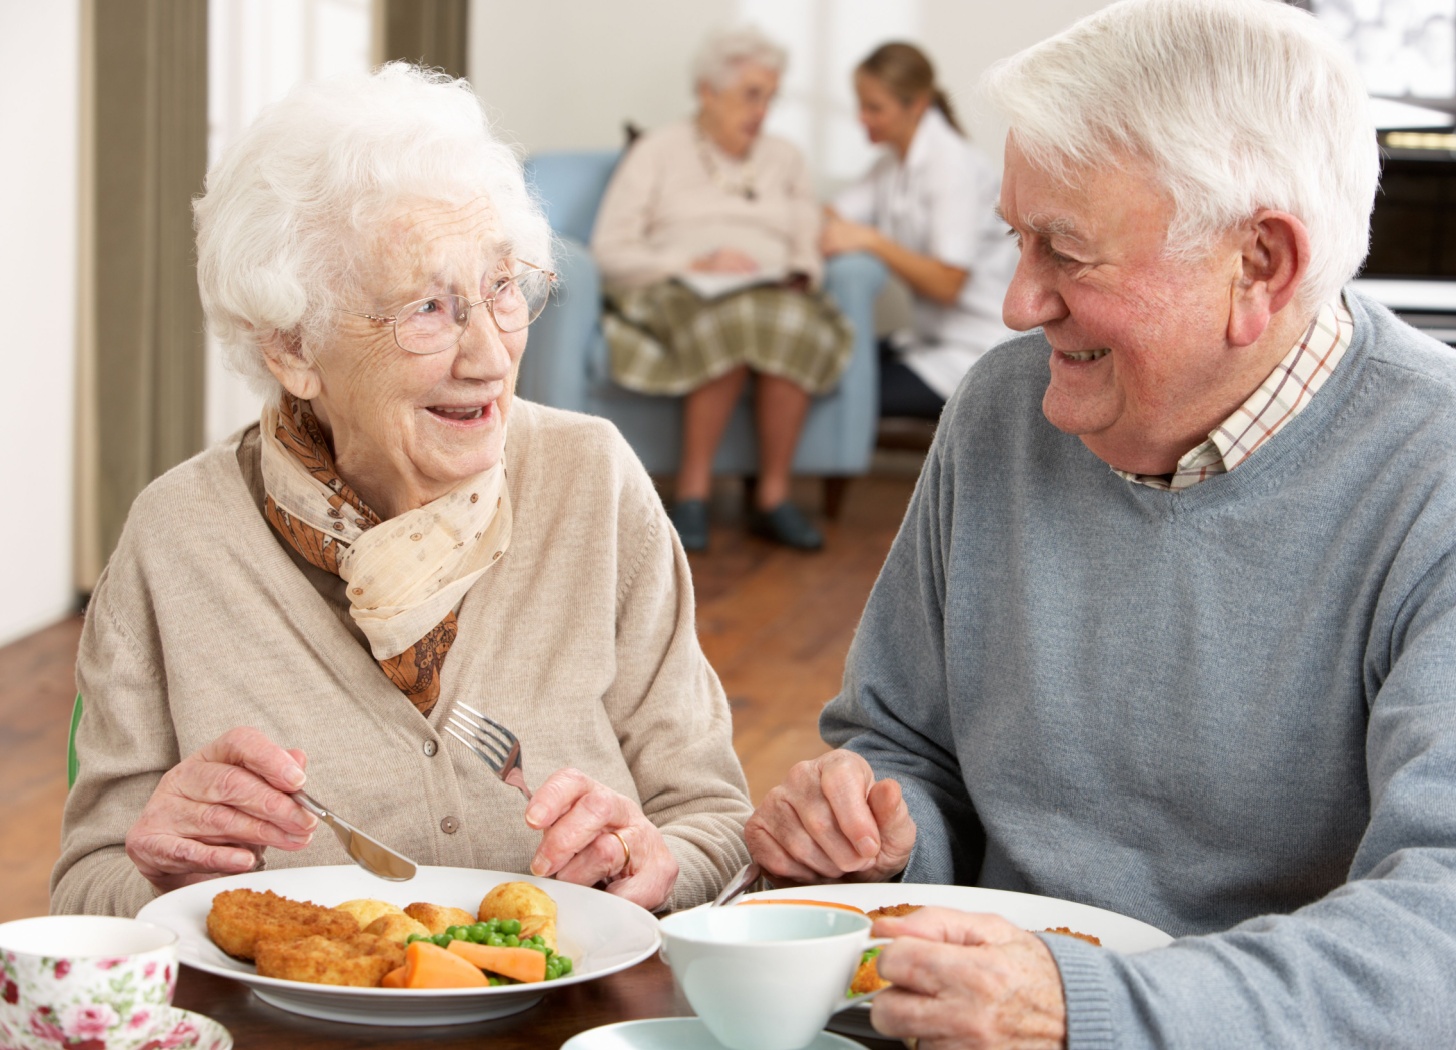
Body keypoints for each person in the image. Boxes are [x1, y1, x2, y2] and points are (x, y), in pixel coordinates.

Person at [745, 1, 1456, 1047]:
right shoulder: (1000, 412)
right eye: (1018, 238)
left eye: (1065, 250)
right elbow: (903, 743)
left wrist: (1087, 1014)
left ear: (1260, 266)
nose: (1017, 302)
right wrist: (875, 831)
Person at [52, 64, 752, 919]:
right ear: (291, 349)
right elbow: (86, 891)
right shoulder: (178, 538)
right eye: (427, 307)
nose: (489, 355)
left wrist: (660, 864)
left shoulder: (591, 482)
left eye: (502, 288)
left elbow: (714, 821)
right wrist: (168, 883)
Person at [590, 26, 850, 554]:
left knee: (785, 320)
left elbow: (807, 244)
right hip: (680, 289)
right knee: (731, 317)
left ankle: (774, 499)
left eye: (770, 97)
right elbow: (610, 249)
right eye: (751, 94)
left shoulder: (785, 158)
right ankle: (692, 493)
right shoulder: (658, 151)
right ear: (708, 92)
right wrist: (693, 261)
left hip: (772, 293)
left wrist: (794, 273)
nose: (763, 111)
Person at [822, 42, 1015, 419]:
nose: (862, 118)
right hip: (931, 340)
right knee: (826, 362)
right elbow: (832, 215)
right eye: (860, 105)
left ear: (917, 104)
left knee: (844, 390)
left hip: (977, 347)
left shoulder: (950, 164)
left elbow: (948, 281)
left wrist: (871, 240)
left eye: (874, 108)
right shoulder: (893, 165)